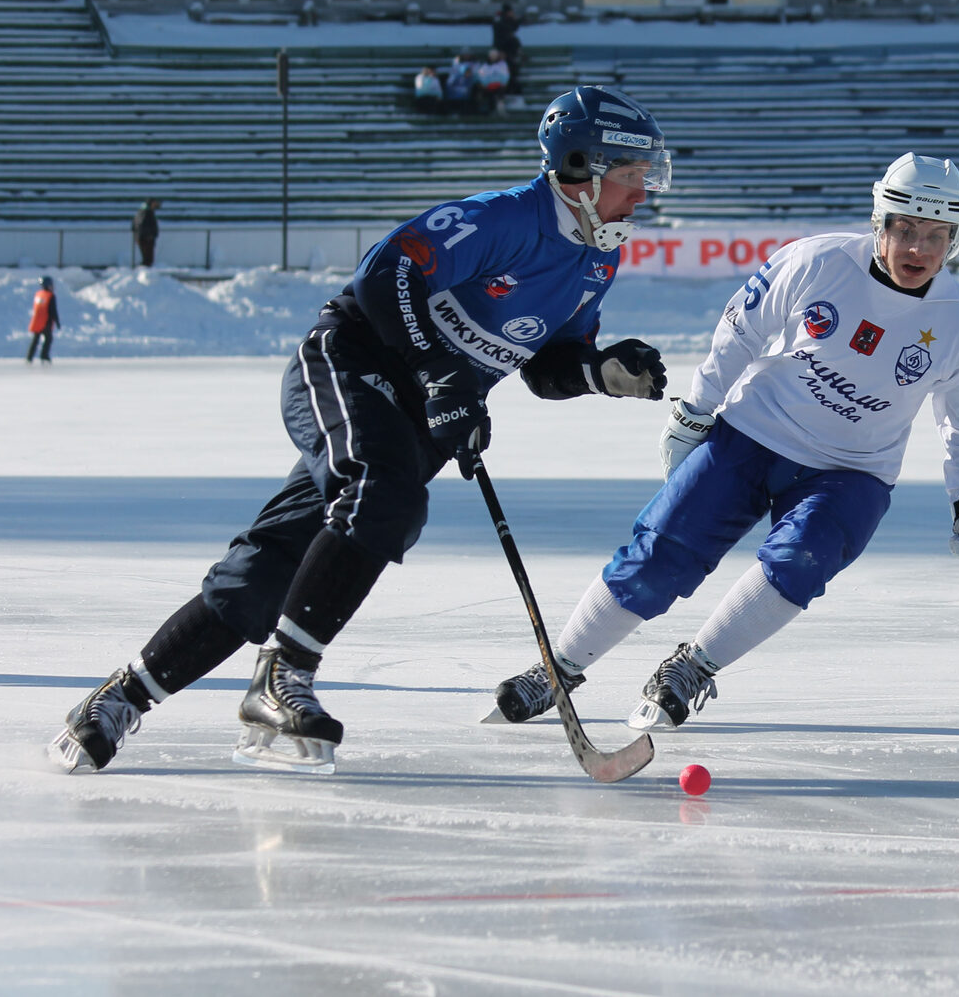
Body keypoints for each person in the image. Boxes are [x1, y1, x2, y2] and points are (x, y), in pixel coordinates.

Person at [49, 86, 674, 774]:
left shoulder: (599, 258)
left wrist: (599, 371)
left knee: (272, 568)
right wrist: (440, 371)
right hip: (352, 359)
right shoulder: (507, 219)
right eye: (630, 176)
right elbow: (390, 272)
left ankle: (120, 696)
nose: (641, 195)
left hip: (422, 414)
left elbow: (544, 366)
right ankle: (282, 676)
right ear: (583, 169)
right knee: (384, 493)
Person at [491, 152, 959, 731]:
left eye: (936, 236)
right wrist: (695, 415)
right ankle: (557, 671)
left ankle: (692, 668)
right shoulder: (817, 260)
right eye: (906, 229)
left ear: (953, 240)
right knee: (660, 553)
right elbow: (740, 329)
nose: (918, 250)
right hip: (754, 434)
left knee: (802, 561)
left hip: (852, 471)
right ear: (880, 222)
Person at [24, 275, 61, 364]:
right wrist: (57, 321)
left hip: (37, 321)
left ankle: (29, 356)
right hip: (46, 321)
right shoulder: (50, 296)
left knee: (36, 339)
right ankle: (44, 355)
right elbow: (53, 310)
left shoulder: (38, 294)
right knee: (48, 339)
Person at [491, 2, 523, 92]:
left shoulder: (505, 20)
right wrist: (500, 51)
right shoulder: (500, 21)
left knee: (512, 71)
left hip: (509, 51)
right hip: (502, 51)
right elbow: (503, 34)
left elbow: (514, 28)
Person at [477, 49, 511, 115]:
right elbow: (481, 77)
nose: (493, 57)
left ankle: (501, 110)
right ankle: (490, 111)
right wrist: (485, 84)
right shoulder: (485, 66)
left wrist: (503, 83)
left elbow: (506, 76)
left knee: (500, 93)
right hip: (488, 86)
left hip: (500, 86)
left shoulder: (502, 64)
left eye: (495, 55)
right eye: (492, 56)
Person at [132, 199, 160, 268]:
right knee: (148, 258)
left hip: (144, 237)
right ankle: (144, 272)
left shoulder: (142, 212)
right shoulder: (146, 212)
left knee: (147, 258)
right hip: (146, 238)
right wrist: (149, 235)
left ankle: (145, 271)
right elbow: (142, 225)